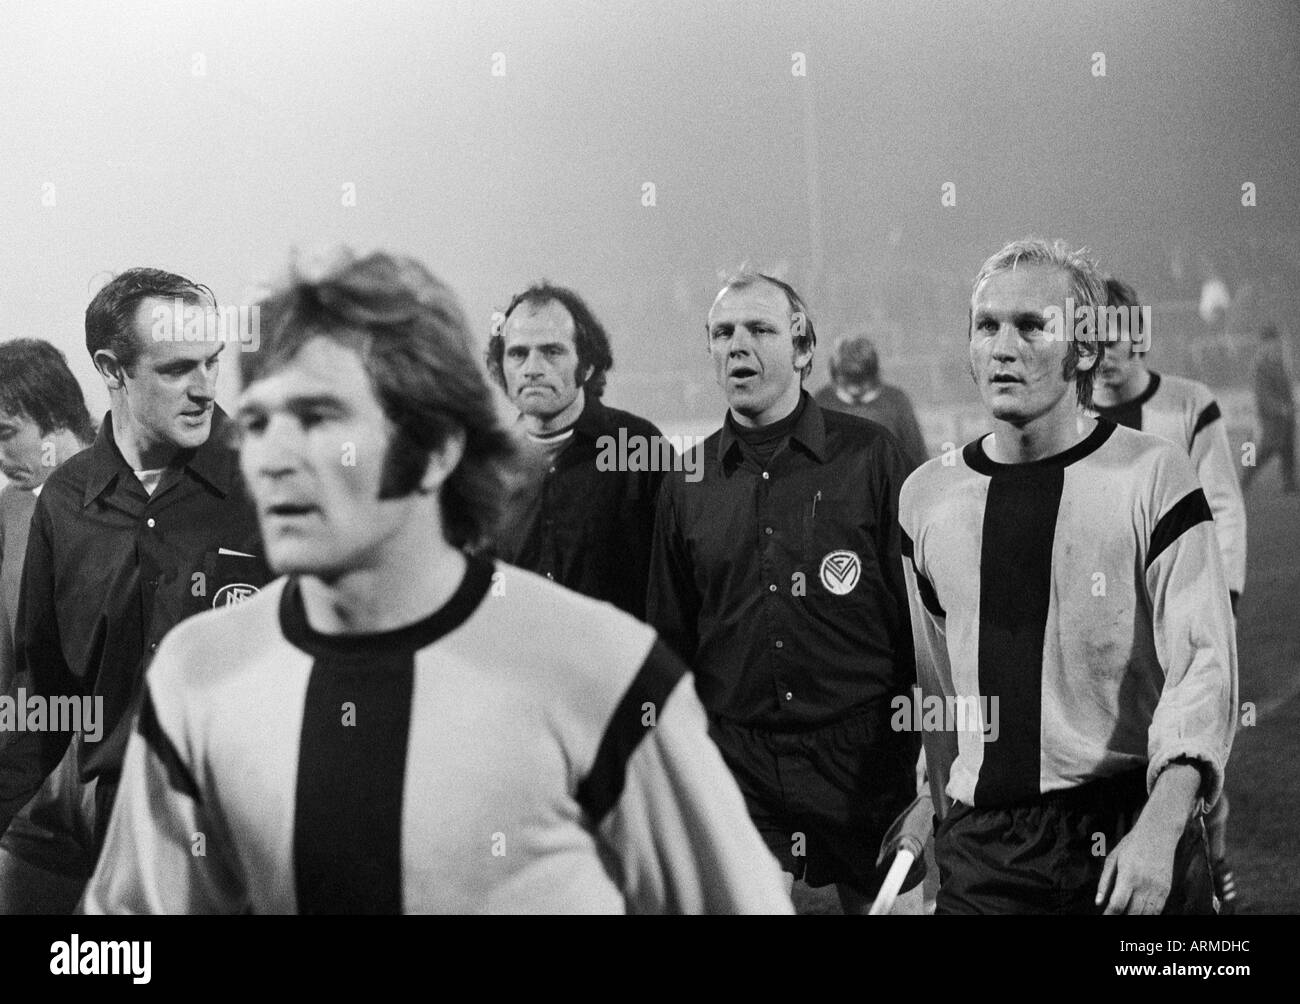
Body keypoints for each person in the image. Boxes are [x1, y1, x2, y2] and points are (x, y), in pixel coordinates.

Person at [82, 250, 792, 915]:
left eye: (321, 418)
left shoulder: (605, 673)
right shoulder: (198, 675)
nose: (273, 456)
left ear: (433, 451)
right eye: (261, 420)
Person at [899, 238, 1237, 914]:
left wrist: (1160, 829)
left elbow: (1204, 668)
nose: (1001, 345)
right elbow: (940, 684)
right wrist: (930, 799)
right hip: (984, 846)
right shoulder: (925, 497)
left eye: (1030, 326)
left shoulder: (1155, 473)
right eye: (986, 325)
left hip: (1125, 828)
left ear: (1082, 349)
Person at [647, 270, 922, 915]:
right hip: (739, 766)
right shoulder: (686, 481)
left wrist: (930, 766)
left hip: (867, 760)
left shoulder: (873, 457)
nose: (738, 345)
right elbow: (670, 640)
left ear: (803, 350)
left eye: (760, 330)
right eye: (722, 333)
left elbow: (923, 619)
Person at [0, 268, 269, 909]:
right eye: (178, 369)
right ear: (111, 369)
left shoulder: (269, 479)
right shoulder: (64, 501)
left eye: (213, 363)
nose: (205, 389)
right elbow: (46, 697)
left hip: (252, 829)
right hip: (116, 831)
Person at [1091, 275, 1247, 910]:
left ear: (1140, 340)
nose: (1101, 350)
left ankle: (1212, 861)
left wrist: (1223, 602)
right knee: (1117, 756)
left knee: (1191, 750)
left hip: (1178, 608)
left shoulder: (1187, 404)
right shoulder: (1069, 416)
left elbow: (1224, 508)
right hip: (1108, 620)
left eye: (1113, 336)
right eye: (1089, 336)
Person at [486, 284, 664, 619]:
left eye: (552, 351)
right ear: (501, 367)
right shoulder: (488, 466)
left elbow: (680, 575)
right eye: (518, 353)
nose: (533, 368)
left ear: (587, 365)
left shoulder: (638, 445)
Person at [0, 340, 96, 913]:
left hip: (106, 768)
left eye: (8, 430)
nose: (0, 450)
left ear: (55, 423)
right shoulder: (13, 511)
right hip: (28, 761)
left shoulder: (134, 500)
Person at [814, 335, 928, 471]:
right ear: (837, 377)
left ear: (873, 376)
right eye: (848, 382)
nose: (854, 391)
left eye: (861, 383)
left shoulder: (895, 401)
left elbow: (916, 455)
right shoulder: (823, 402)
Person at [1241, 323, 1296, 493]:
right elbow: (1263, 395)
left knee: (1287, 449)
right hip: (1269, 416)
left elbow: (1285, 389)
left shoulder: (1278, 362)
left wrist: (1290, 407)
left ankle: (1289, 483)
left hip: (1284, 416)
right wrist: (1280, 408)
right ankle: (1245, 479)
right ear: (1266, 343)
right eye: (1273, 341)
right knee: (1266, 449)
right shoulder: (1260, 365)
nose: (1277, 344)